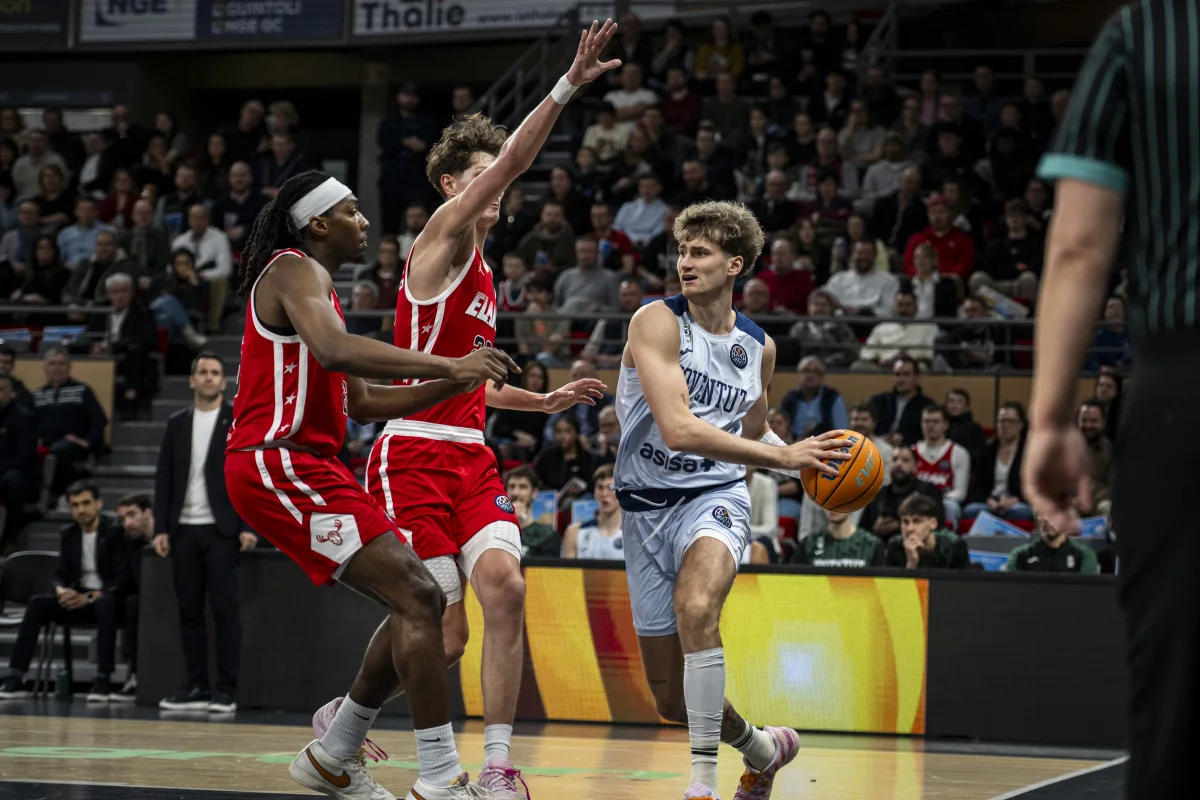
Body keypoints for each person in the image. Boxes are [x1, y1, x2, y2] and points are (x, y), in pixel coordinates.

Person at [320, 23, 619, 800]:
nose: (501, 184)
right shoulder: (440, 240)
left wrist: (540, 399)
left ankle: (496, 765)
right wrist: (568, 84)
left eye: (499, 174)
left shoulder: (484, 272)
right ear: (454, 185)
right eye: (485, 175)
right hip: (412, 452)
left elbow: (469, 380)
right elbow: (517, 158)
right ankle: (346, 718)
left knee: (507, 589)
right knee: (443, 632)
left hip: (470, 452)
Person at [225, 168, 521, 800]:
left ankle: (334, 754)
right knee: (419, 595)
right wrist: (450, 363)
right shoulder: (291, 269)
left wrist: (455, 384)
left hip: (311, 466)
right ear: (317, 224)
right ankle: (441, 778)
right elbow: (336, 351)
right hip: (276, 461)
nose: (365, 223)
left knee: (419, 599)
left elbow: (361, 403)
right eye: (352, 212)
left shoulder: (321, 292)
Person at [614, 199, 853, 799]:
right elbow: (678, 429)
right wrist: (784, 458)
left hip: (715, 495)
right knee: (670, 701)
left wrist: (801, 458)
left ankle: (701, 785)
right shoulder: (655, 322)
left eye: (700, 253)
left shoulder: (759, 347)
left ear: (735, 265)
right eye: (681, 252)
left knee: (697, 609)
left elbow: (754, 431)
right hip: (644, 508)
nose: (685, 263)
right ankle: (763, 749)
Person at [1024, 7, 1200, 792]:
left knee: (1174, 701)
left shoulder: (1147, 31)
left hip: (1184, 390)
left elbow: (1079, 245)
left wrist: (1050, 420)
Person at [153, 354, 257, 714]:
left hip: (221, 530)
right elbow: (164, 476)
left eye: (215, 372)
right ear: (192, 380)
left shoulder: (237, 422)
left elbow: (250, 474)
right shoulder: (176, 423)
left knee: (225, 610)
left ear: (224, 382)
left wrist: (247, 525)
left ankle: (225, 690)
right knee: (189, 611)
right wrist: (161, 528)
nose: (209, 377)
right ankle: (196, 686)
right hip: (182, 529)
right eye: (202, 372)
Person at [0, 482, 130, 702]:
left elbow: (121, 579)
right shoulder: (69, 533)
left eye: (86, 503)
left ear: (98, 504)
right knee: (38, 603)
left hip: (108, 600)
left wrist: (88, 597)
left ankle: (103, 679)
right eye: (75, 505)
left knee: (105, 603)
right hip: (77, 599)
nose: (81, 510)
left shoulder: (115, 532)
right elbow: (59, 574)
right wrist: (61, 591)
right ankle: (16, 676)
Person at [114, 491, 154, 701]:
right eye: (122, 519)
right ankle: (136, 675)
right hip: (146, 599)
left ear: (148, 512)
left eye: (131, 515)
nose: (127, 523)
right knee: (131, 603)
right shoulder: (129, 543)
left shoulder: (173, 534)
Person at [860, 447, 945, 542]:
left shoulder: (928, 491)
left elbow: (939, 529)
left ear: (915, 467)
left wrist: (900, 527)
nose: (898, 464)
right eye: (894, 459)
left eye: (905, 460)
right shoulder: (878, 494)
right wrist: (874, 531)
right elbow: (862, 531)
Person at [965, 401, 1031, 524]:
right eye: (1001, 421)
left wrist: (1015, 500)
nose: (1005, 425)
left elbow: (1034, 486)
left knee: (1020, 511)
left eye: (1011, 421)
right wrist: (989, 500)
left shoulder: (1028, 452)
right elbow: (978, 485)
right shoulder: (988, 450)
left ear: (1021, 424)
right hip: (991, 503)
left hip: (1017, 502)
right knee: (971, 510)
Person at [912, 405, 971, 531]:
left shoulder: (958, 452)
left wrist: (936, 499)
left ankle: (948, 539)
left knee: (949, 506)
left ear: (945, 425)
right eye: (926, 421)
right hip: (916, 500)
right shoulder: (912, 451)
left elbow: (960, 493)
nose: (930, 425)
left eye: (935, 421)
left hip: (946, 500)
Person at [0, 374, 36, 555]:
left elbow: (23, 457)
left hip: (18, 474)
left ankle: (9, 539)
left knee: (14, 480)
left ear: (12, 393)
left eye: (1, 390)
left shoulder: (23, 417)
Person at [883, 492, 968, 569]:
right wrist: (911, 563)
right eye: (905, 522)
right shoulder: (895, 545)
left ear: (933, 524)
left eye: (917, 521)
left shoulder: (954, 545)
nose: (910, 528)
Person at [563, 464, 624, 560]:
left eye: (611, 488)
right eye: (600, 487)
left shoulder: (634, 535)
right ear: (594, 492)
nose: (604, 494)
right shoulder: (575, 533)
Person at [792, 507, 885, 568]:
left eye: (840, 500)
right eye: (828, 499)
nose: (833, 506)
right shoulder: (808, 544)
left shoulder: (872, 545)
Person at [1005, 515, 1099, 574]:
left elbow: (1087, 593)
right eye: (1041, 514)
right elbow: (1007, 589)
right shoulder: (1020, 554)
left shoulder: (1084, 555)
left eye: (1052, 515)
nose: (1046, 520)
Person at [503, 466, 562, 558]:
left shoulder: (548, 536)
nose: (515, 493)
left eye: (522, 487)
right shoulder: (495, 531)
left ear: (534, 493)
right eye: (511, 487)